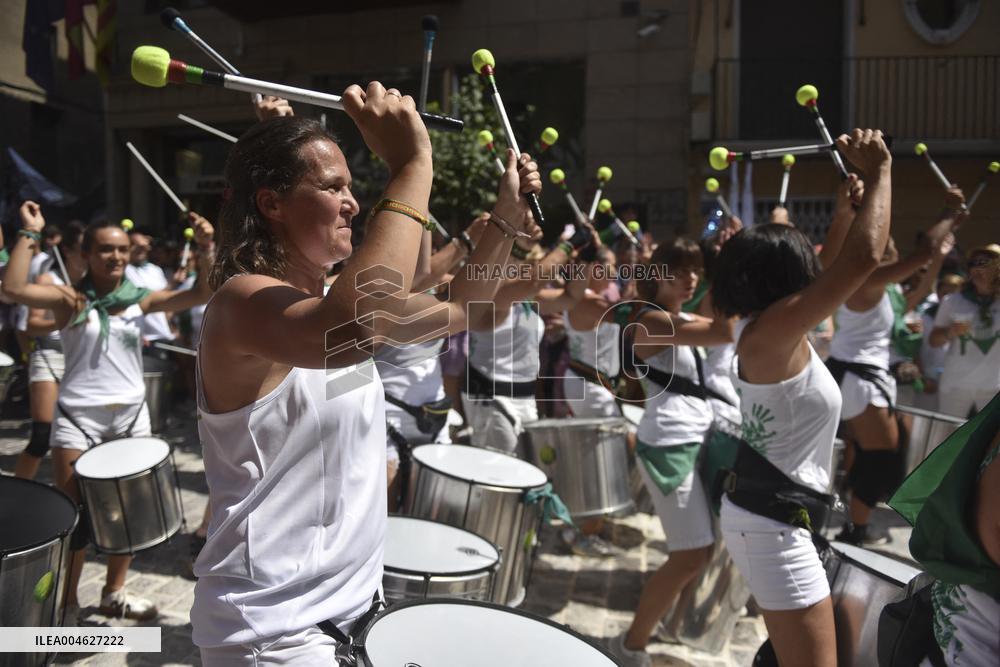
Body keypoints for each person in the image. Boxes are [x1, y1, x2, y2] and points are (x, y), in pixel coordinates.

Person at [193, 84, 540, 663]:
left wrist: (504, 218)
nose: (353, 202)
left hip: (352, 615)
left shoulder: (331, 299)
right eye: (333, 187)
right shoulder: (240, 304)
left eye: (353, 187)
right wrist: (411, 163)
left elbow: (468, 309)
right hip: (273, 635)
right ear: (272, 204)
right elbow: (358, 329)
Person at [708, 129, 893, 666]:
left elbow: (831, 267)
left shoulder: (760, 330)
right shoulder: (772, 331)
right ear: (787, 284)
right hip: (773, 525)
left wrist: (843, 213)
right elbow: (859, 263)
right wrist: (882, 171)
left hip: (768, 516)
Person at [2, 202, 215, 624]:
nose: (115, 256)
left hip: (131, 418)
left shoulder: (138, 301)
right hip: (79, 419)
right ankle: (66, 604)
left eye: (120, 250)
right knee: (73, 517)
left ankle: (114, 592)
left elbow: (201, 293)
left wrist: (207, 246)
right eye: (105, 250)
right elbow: (11, 290)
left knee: (128, 517)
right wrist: (30, 233)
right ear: (86, 254)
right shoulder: (70, 299)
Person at [607, 238, 731, 666]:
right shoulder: (649, 323)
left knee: (698, 551)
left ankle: (655, 627)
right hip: (669, 448)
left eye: (695, 270)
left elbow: (716, 316)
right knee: (690, 555)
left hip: (694, 442)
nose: (691, 278)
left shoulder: (679, 319)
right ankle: (631, 645)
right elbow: (724, 328)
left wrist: (727, 260)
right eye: (679, 270)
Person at [823, 180, 956, 545]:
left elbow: (918, 293)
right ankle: (856, 529)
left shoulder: (883, 289)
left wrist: (939, 258)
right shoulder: (864, 280)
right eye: (889, 249)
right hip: (858, 379)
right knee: (883, 460)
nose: (894, 253)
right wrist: (950, 213)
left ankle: (855, 520)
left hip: (865, 379)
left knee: (877, 454)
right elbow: (923, 251)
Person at [12, 221, 86, 480]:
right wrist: (66, 318)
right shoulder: (49, 279)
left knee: (81, 432)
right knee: (43, 434)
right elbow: (31, 324)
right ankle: (14, 493)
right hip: (49, 354)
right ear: (68, 250)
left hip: (79, 357)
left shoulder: (91, 284)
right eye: (82, 248)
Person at [929, 244, 1000, 418]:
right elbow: (934, 340)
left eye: (986, 262)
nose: (978, 268)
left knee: (990, 442)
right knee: (947, 438)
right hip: (955, 385)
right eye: (974, 263)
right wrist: (950, 333)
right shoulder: (953, 301)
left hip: (993, 388)